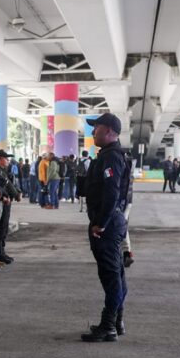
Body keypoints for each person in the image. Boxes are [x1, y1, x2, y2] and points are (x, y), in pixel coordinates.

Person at [81, 113, 130, 342]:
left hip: (107, 225)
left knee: (111, 275)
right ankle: (116, 321)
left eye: (97, 128)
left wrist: (100, 223)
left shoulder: (112, 157)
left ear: (109, 130)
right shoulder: (112, 155)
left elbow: (111, 194)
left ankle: (109, 325)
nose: (93, 132)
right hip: (114, 221)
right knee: (116, 273)